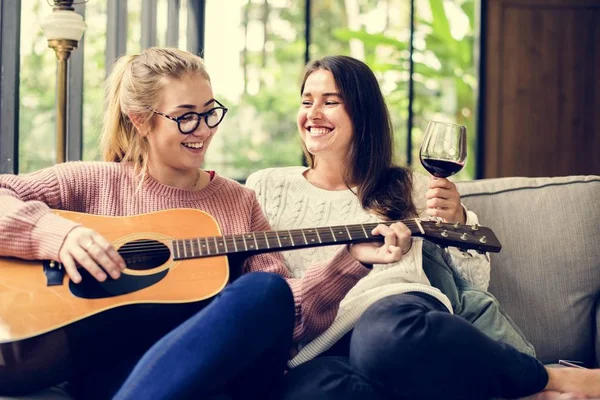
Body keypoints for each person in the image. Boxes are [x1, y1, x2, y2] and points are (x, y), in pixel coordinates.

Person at [0, 48, 406, 400]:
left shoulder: (238, 201)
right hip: (121, 372)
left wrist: (351, 262)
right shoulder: (91, 182)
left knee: (265, 289)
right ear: (141, 120)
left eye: (210, 112)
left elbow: (284, 317)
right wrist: (58, 235)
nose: (205, 130)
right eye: (186, 117)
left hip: (226, 370)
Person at [246, 55, 600, 400]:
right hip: (319, 341)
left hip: (394, 315)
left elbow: (473, 283)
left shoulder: (409, 186)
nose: (313, 113)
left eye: (330, 101)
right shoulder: (266, 186)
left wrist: (456, 218)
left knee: (384, 342)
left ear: (363, 113)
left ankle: (547, 377)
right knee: (312, 392)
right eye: (307, 101)